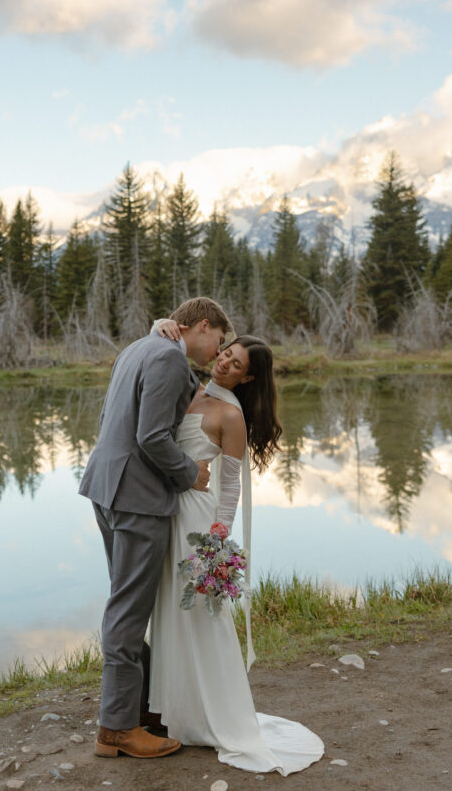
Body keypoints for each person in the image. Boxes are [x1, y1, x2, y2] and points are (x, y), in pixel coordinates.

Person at [148, 324, 324, 776]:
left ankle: (213, 717)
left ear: (246, 380)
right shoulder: (187, 385)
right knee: (169, 610)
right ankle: (172, 713)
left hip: (197, 522)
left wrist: (216, 544)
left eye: (237, 364)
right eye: (227, 351)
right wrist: (159, 327)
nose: (225, 360)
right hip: (167, 512)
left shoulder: (230, 415)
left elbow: (230, 487)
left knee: (202, 617)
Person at [78, 297, 232, 760]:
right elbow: (151, 437)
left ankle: (138, 708)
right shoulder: (167, 354)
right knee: (128, 610)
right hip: (138, 498)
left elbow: (131, 412)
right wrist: (191, 474)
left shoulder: (141, 348)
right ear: (202, 326)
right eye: (218, 341)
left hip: (106, 488)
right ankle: (117, 729)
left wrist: (161, 326)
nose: (216, 353)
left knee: (126, 599)